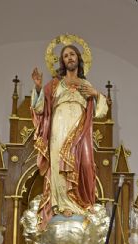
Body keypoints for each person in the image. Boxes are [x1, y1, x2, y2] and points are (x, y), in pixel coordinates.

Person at [31, 44, 108, 228]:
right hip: (59, 128)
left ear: (78, 58)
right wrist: (39, 87)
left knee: (85, 164)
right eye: (65, 55)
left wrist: (95, 94)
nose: (69, 58)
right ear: (62, 61)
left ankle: (79, 205)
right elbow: (40, 108)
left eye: (72, 54)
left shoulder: (86, 85)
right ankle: (62, 205)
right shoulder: (55, 84)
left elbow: (101, 112)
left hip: (80, 130)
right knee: (59, 165)